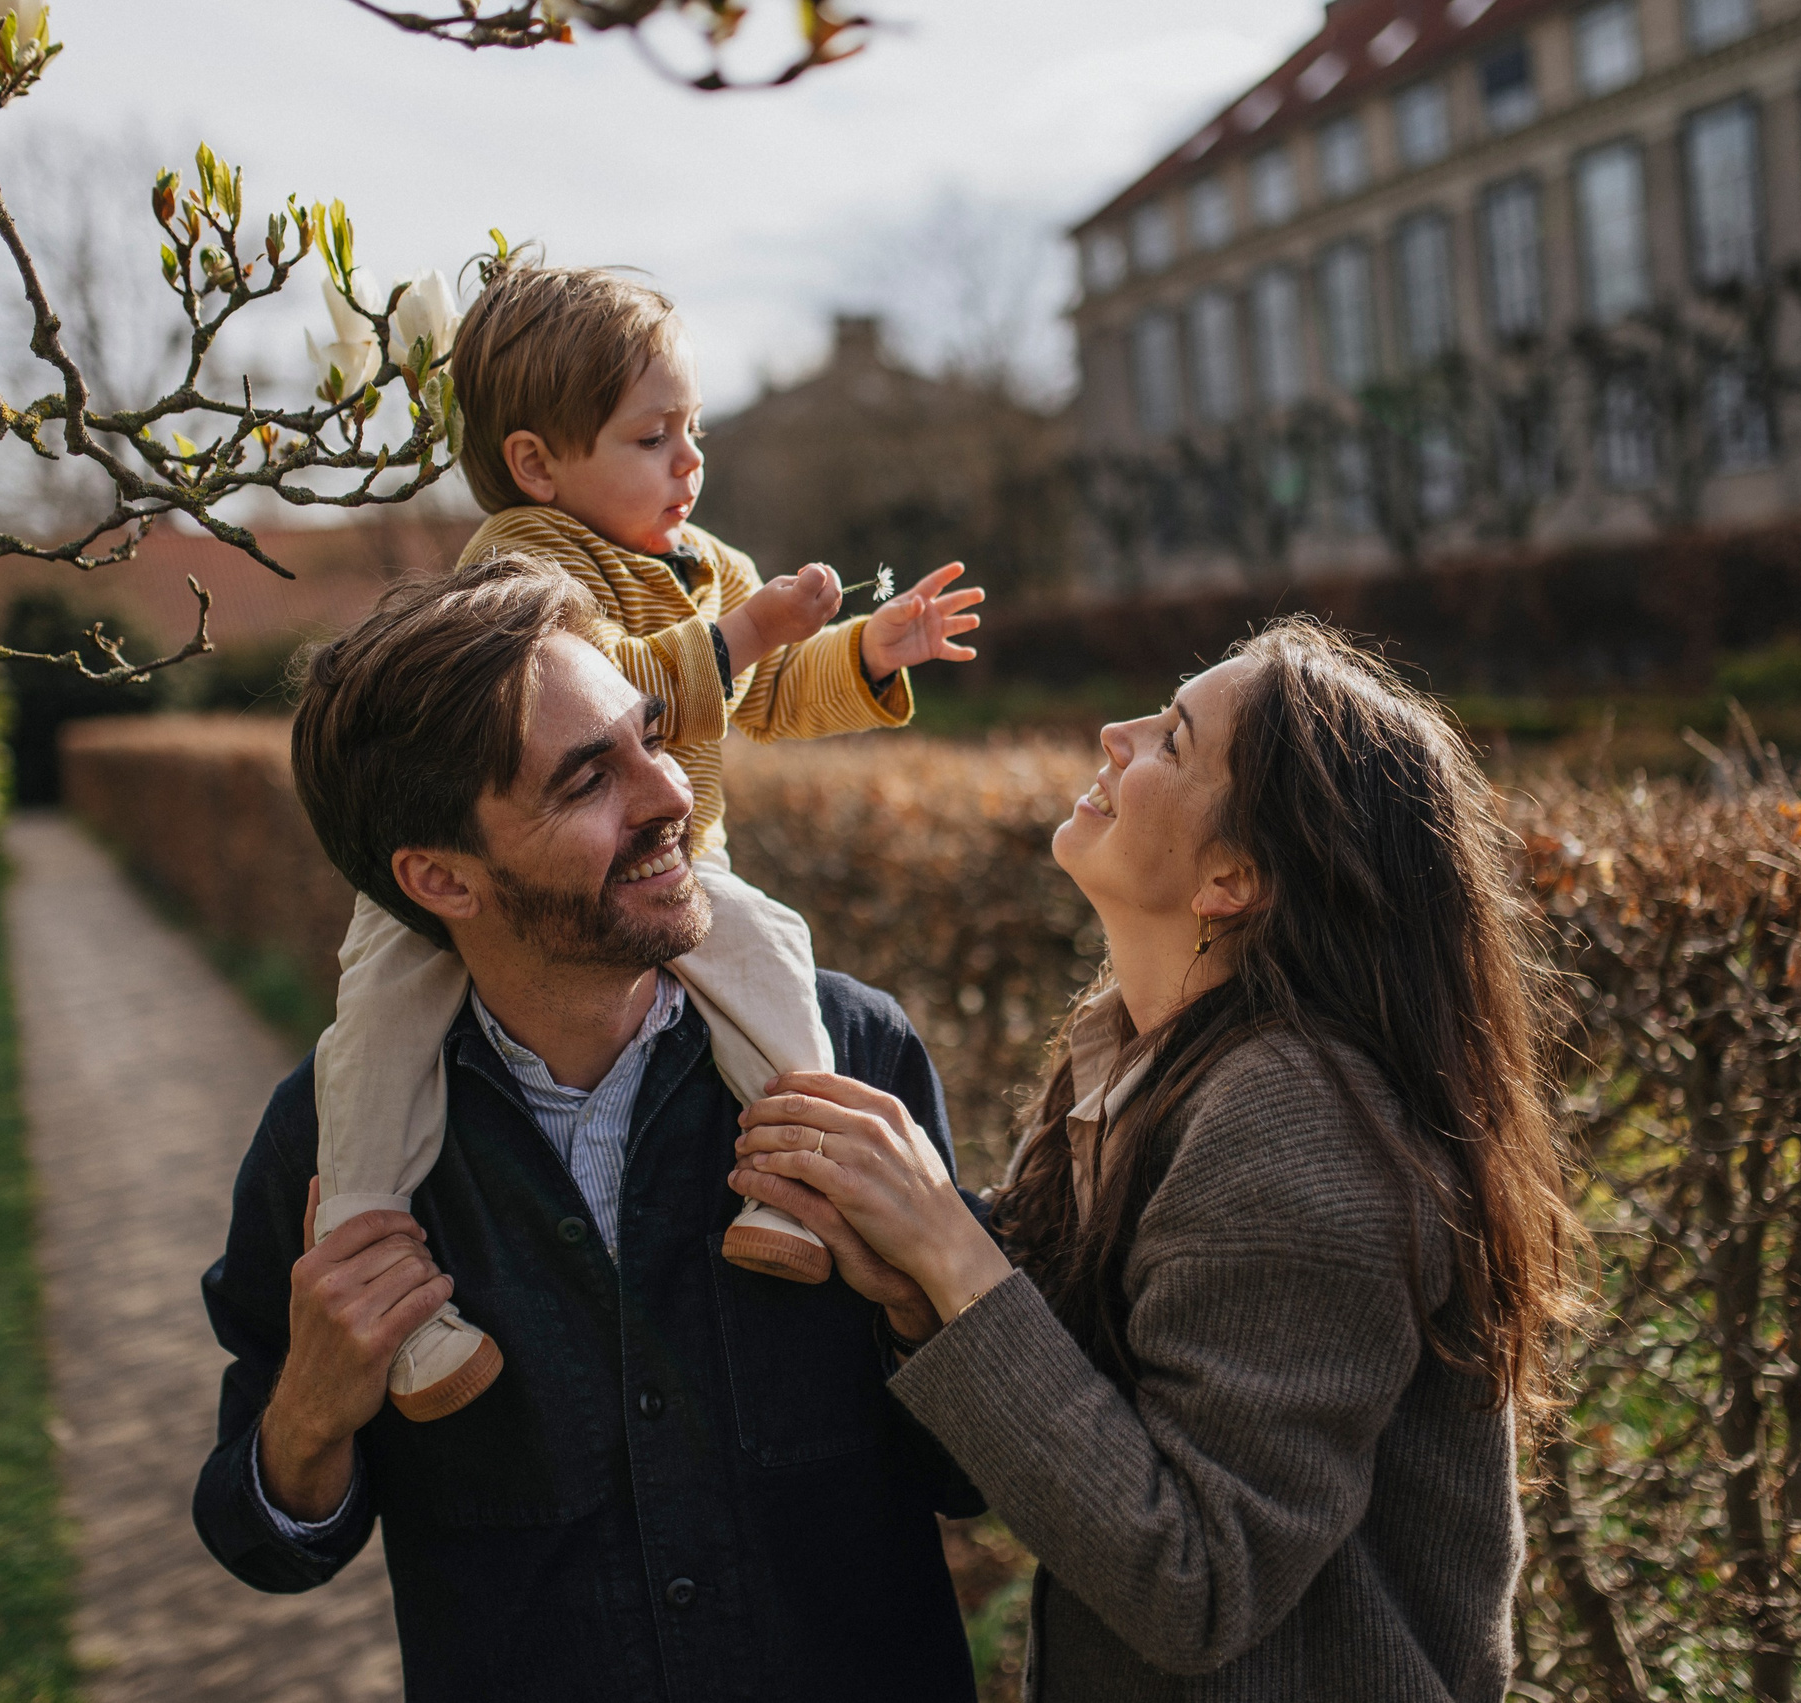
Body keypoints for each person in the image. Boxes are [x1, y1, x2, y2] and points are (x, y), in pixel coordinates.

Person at [727, 619, 1582, 1701]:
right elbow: (1060, 1428)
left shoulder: (1295, 1126)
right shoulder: (1132, 1054)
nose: (1114, 734)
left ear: (1231, 875)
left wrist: (955, 1251)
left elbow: (1196, 1584)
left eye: (1171, 739)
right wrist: (913, 1292)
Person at [191, 558, 979, 1701]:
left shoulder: (852, 1055)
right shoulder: (327, 1143)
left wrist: (924, 1305)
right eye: (585, 779)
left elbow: (973, 1478)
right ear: (440, 879)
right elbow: (260, 1537)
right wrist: (309, 1411)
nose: (670, 794)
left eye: (651, 737)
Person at [313, 252, 987, 1418]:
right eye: (649, 436)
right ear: (536, 461)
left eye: (695, 431)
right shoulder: (520, 564)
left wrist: (866, 652)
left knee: (773, 953)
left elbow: (766, 697)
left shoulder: (699, 563)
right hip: (474, 862)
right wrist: (738, 635)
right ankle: (389, 1288)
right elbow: (571, 705)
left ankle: (791, 1183)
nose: (688, 462)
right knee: (371, 1039)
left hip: (667, 864)